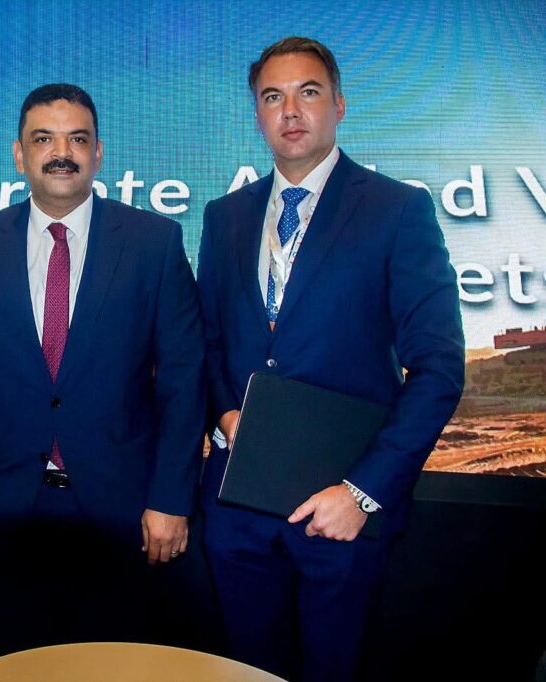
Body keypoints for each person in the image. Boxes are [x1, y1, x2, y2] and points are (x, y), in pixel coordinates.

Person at [196, 37, 464, 681]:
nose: (290, 110)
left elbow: (438, 367)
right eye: (273, 97)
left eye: (308, 92)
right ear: (257, 115)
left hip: (341, 515)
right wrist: (224, 414)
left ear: (339, 105)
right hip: (237, 510)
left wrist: (363, 494)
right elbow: (206, 342)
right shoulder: (224, 216)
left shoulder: (398, 210)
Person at [0, 83, 207, 655]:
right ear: (18, 154)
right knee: (9, 659)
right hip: (2, 504)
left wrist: (173, 497)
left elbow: (184, 378)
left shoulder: (154, 242)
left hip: (124, 506)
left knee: (114, 660)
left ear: (99, 153)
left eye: (77, 139)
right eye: (43, 139)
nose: (61, 153)